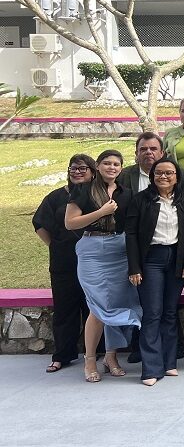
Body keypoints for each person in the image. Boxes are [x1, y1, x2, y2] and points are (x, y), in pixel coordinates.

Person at [64, 149, 139, 382]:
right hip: (92, 249)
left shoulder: (125, 193)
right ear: (97, 166)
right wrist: (101, 212)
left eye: (117, 164)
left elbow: (131, 226)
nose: (112, 167)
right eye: (107, 163)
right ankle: (89, 360)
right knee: (98, 306)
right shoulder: (83, 190)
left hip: (118, 250)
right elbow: (70, 223)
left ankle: (110, 356)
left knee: (115, 303)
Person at [126, 158, 184, 387]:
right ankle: (151, 369)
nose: (164, 177)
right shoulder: (141, 200)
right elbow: (132, 235)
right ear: (152, 176)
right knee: (153, 313)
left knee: (170, 312)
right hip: (151, 261)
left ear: (177, 176)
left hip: (176, 259)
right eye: (159, 173)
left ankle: (169, 362)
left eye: (169, 173)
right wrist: (134, 267)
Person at [33, 154, 96, 373]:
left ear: (92, 171)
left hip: (95, 262)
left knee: (94, 308)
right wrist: (56, 246)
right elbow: (39, 223)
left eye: (83, 168)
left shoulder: (99, 195)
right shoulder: (56, 197)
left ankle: (96, 352)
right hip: (64, 263)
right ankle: (63, 355)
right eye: (73, 168)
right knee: (65, 309)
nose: (78, 172)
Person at [121, 132, 184, 197]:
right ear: (136, 153)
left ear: (162, 153)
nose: (148, 152)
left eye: (153, 149)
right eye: (143, 149)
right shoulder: (124, 175)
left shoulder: (179, 173)